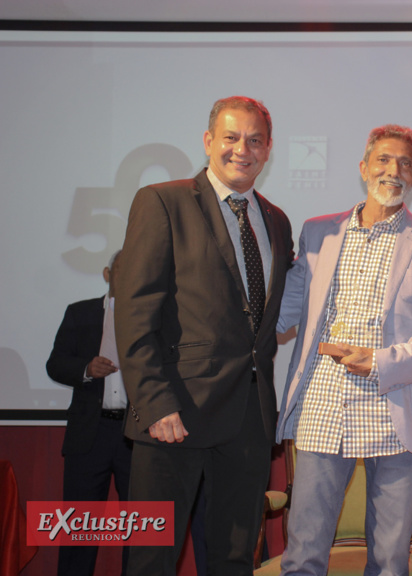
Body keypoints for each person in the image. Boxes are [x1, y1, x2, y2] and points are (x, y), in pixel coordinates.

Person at [114, 96, 294, 575]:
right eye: (232, 137)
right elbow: (135, 312)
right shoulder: (162, 201)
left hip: (250, 421)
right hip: (174, 417)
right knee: (152, 559)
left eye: (255, 140)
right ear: (208, 141)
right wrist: (154, 402)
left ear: (269, 148)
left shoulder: (276, 220)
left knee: (235, 559)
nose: (243, 149)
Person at [275, 124, 412, 576]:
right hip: (324, 401)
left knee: (389, 558)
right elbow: (281, 314)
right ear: (363, 168)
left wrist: (380, 362)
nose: (392, 170)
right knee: (303, 551)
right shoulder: (318, 232)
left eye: (404, 164)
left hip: (397, 403)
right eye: (382, 159)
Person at [47, 250, 132, 576]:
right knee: (79, 528)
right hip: (90, 435)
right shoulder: (79, 313)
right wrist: (85, 368)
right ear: (107, 274)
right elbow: (55, 364)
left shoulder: (151, 316)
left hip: (135, 436)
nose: (127, 276)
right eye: (121, 269)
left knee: (140, 529)